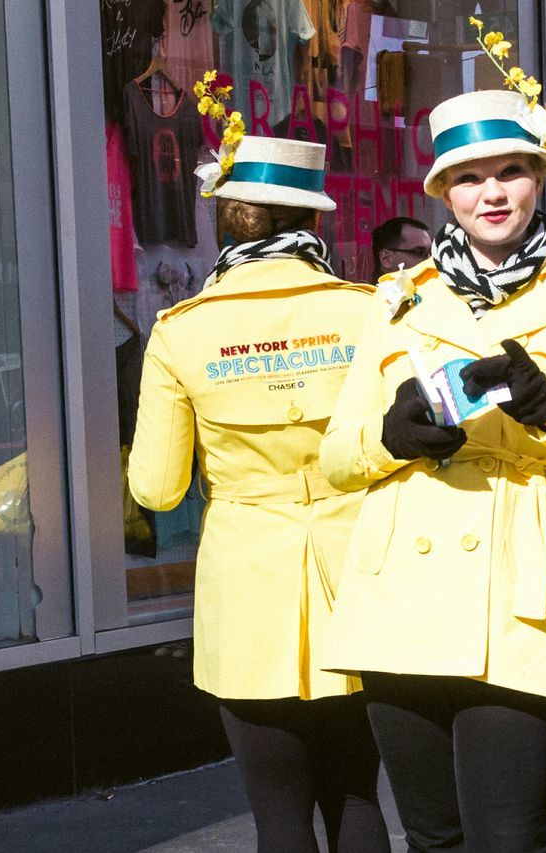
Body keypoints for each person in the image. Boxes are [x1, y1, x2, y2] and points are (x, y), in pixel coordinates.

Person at [318, 76, 546, 852]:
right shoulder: (397, 299)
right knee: (434, 840)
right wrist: (392, 436)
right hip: (397, 598)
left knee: (506, 841)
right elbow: (336, 459)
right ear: (444, 191)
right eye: (469, 178)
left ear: (539, 175)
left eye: (509, 170)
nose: (492, 193)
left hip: (519, 595)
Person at [128, 134, 390, 853]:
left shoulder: (183, 330)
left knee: (278, 813)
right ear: (312, 221)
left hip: (245, 589)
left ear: (227, 219)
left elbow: (155, 486)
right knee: (358, 789)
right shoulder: (368, 310)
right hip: (359, 576)